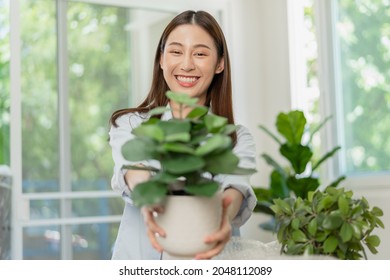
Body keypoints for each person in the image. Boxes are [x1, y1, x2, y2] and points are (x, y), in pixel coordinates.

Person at [109, 10, 257, 260]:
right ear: (162, 59)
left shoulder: (237, 138)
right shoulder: (129, 123)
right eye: (176, 52)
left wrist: (224, 218)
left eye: (200, 53)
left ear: (220, 63)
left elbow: (236, 188)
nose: (187, 64)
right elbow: (133, 168)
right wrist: (149, 199)